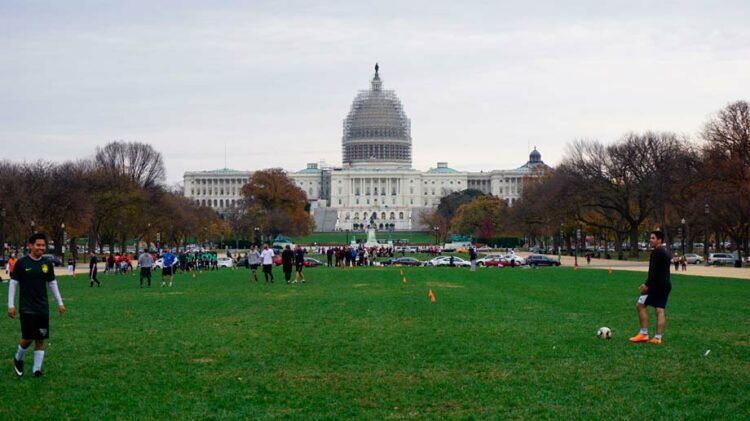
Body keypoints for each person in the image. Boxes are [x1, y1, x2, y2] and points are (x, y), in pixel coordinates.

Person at [9, 233, 65, 377]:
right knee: (28, 337)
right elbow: (13, 284)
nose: (41, 248)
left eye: (43, 245)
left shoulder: (47, 264)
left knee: (40, 338)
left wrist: (60, 302)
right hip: (27, 307)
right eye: (38, 245)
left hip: (42, 308)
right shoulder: (22, 263)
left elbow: (52, 283)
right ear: (30, 246)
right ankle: (18, 358)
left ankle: (37, 370)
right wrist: (11, 305)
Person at [630, 230, 672, 345]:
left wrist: (646, 285)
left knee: (640, 305)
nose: (650, 240)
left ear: (659, 240)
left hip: (656, 286)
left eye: (653, 238)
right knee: (660, 310)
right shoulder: (665, 252)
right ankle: (657, 338)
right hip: (666, 285)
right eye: (650, 238)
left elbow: (653, 273)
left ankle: (643, 334)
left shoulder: (656, 252)